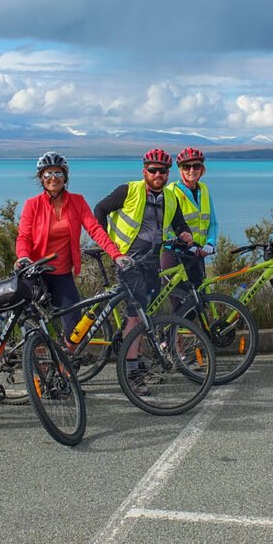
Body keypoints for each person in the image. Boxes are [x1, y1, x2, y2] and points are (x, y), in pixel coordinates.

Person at [94, 148, 193, 394]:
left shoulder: (170, 198)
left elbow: (179, 221)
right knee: (136, 316)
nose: (158, 174)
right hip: (129, 261)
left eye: (162, 171)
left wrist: (184, 232)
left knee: (145, 313)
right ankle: (131, 373)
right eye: (153, 170)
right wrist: (108, 245)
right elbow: (99, 209)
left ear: (168, 173)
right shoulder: (129, 190)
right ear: (144, 171)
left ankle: (135, 357)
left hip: (152, 261)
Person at [15, 151, 130, 349]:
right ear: (41, 178)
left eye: (58, 173)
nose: (53, 178)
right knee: (35, 327)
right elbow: (24, 237)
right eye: (48, 173)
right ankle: (38, 371)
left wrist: (116, 254)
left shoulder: (77, 201)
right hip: (35, 273)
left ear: (65, 177)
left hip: (62, 273)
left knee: (74, 330)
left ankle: (65, 367)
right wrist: (23, 256)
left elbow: (95, 229)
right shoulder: (32, 205)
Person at [162, 147, 219, 306]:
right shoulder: (170, 192)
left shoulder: (204, 190)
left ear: (202, 169)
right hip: (174, 253)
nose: (191, 170)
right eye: (186, 167)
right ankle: (172, 330)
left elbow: (212, 222)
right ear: (180, 170)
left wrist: (210, 242)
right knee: (179, 303)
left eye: (196, 166)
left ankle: (190, 331)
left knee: (199, 302)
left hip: (198, 253)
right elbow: (164, 229)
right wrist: (186, 245)